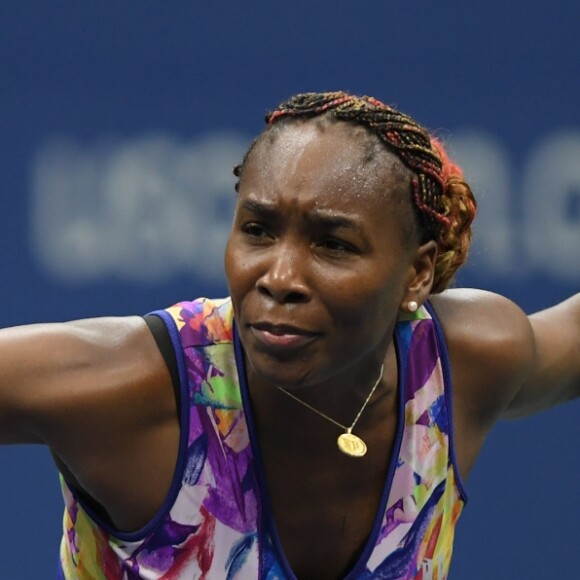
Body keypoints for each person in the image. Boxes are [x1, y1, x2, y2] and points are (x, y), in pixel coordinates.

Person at [0, 91, 578, 580]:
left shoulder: (465, 363)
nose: (279, 278)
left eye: (333, 245)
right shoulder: (131, 388)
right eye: (258, 230)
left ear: (418, 273)